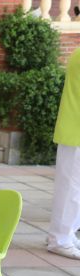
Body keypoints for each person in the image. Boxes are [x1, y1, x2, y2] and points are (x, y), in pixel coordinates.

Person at [47, 47, 80, 259]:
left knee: (74, 189)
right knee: (71, 191)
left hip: (74, 130)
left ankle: (65, 233)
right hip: (75, 132)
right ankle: (60, 239)